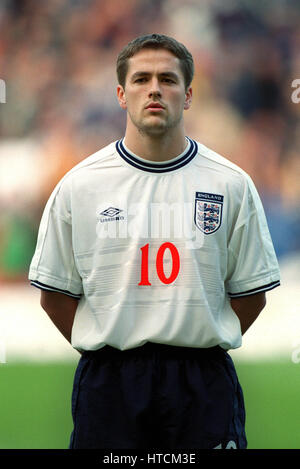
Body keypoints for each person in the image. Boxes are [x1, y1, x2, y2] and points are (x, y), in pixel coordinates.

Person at [28, 33, 280, 450]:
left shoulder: (232, 184)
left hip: (202, 383)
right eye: (141, 79)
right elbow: (54, 295)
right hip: (110, 385)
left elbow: (251, 295)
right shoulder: (79, 186)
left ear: (189, 94)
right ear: (121, 95)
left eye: (168, 78)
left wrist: (198, 336)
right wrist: (111, 344)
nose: (155, 89)